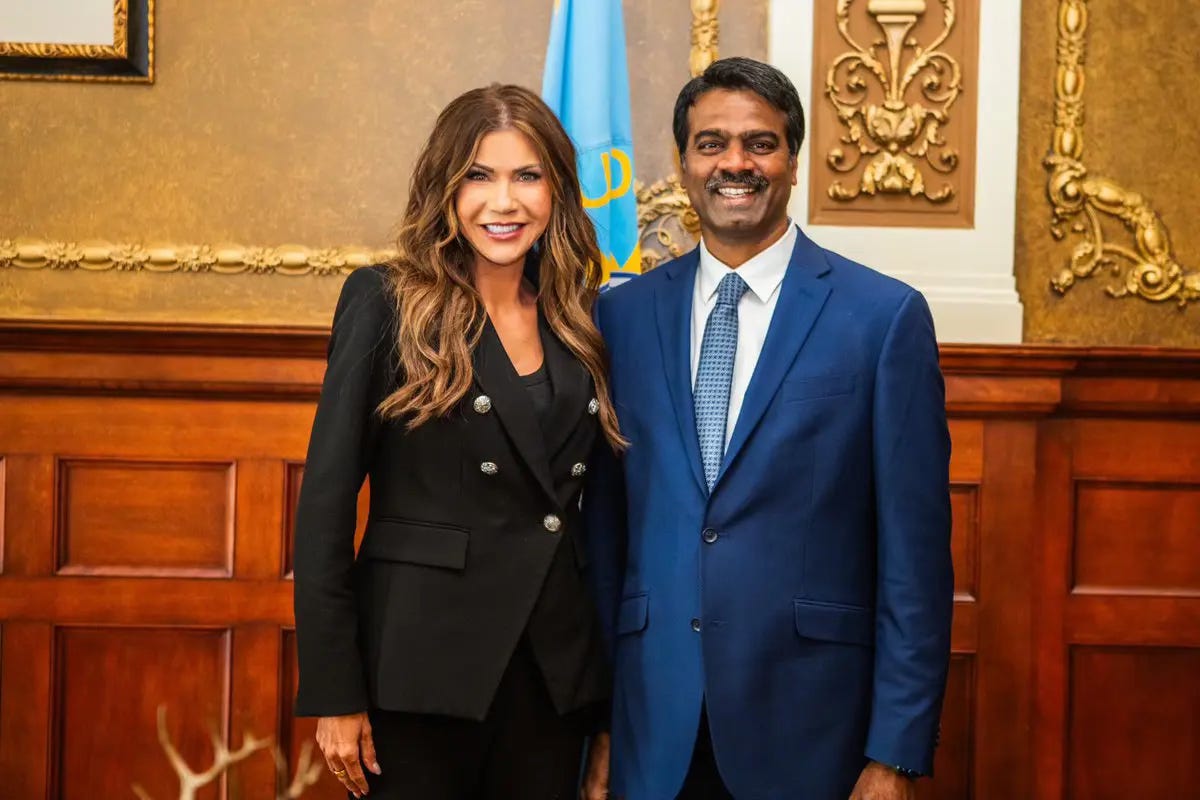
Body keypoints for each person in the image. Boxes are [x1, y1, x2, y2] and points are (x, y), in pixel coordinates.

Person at [580, 57, 954, 800]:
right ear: (682, 165)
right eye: (711, 144)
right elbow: (605, 540)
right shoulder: (619, 317)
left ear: (793, 161)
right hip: (652, 728)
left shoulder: (882, 318)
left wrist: (896, 754)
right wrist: (599, 726)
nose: (735, 163)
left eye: (760, 143)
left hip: (811, 731)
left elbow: (914, 560)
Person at [291, 83, 624, 800]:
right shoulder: (388, 301)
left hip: (552, 676)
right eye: (479, 175)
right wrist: (334, 689)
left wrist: (601, 700)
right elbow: (323, 509)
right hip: (421, 668)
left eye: (527, 176)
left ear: (558, 191)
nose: (504, 202)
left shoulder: (580, 316)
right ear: (445, 186)